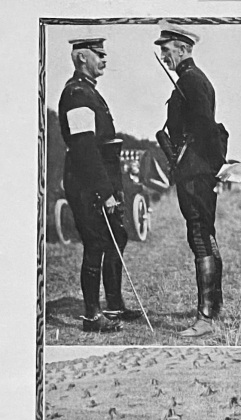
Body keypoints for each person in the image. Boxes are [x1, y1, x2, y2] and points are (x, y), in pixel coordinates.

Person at [58, 36, 140, 333]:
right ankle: (93, 316)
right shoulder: (77, 93)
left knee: (116, 237)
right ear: (82, 58)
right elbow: (84, 148)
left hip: (100, 179)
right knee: (95, 243)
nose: (105, 60)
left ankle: (114, 305)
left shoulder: (89, 92)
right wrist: (104, 192)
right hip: (86, 182)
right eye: (99, 54)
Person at [155, 23, 228, 338]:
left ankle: (206, 318)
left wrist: (214, 168)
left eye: (166, 48)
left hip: (197, 171)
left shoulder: (192, 81)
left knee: (200, 237)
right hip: (197, 170)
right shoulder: (189, 81)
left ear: (182, 48)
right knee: (204, 235)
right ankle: (214, 309)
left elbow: (207, 130)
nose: (163, 54)